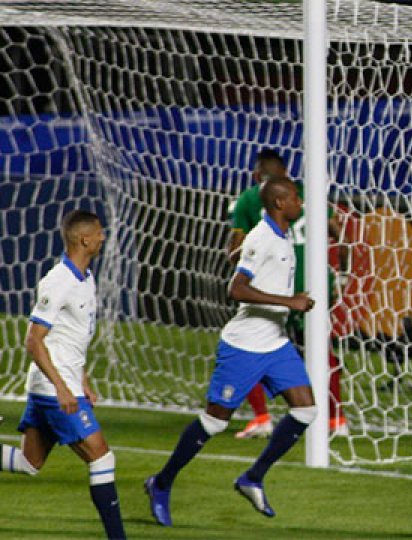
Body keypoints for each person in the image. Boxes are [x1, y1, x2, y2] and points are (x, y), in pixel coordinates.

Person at [146, 178, 318, 526]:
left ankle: (253, 477)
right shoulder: (262, 236)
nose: (301, 203)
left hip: (275, 343)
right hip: (243, 346)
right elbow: (235, 289)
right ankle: (161, 483)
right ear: (281, 203)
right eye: (297, 198)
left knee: (306, 411)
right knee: (214, 422)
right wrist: (290, 301)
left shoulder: (279, 234)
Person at [0, 210, 126, 539]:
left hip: (63, 384)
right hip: (53, 388)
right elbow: (33, 340)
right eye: (98, 233)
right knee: (101, 457)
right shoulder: (58, 281)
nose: (102, 237)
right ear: (84, 239)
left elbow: (71, 337)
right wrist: (63, 388)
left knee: (30, 462)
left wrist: (82, 380)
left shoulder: (86, 278)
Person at [227, 148, 345, 438]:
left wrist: (248, 254)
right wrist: (341, 271)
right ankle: (336, 420)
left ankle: (262, 417)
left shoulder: (250, 199)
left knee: (252, 347)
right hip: (312, 285)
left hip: (274, 287)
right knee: (321, 349)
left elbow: (233, 251)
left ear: (258, 177)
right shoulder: (307, 194)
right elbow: (337, 232)